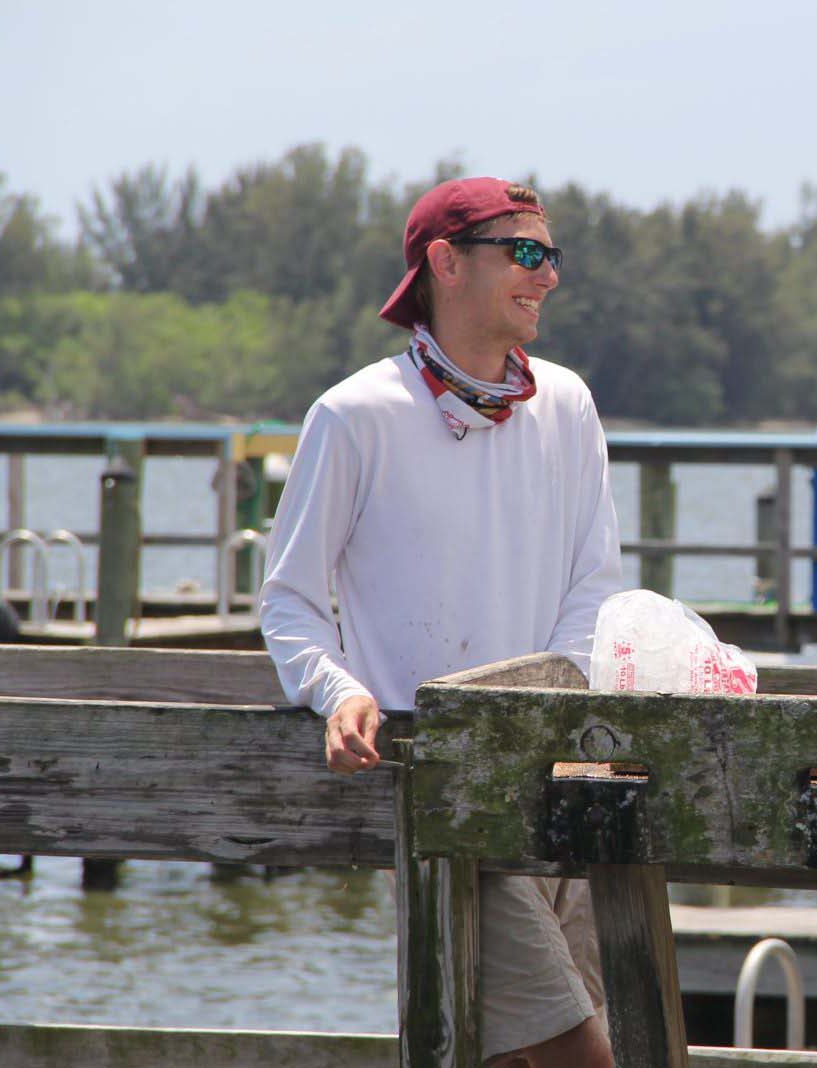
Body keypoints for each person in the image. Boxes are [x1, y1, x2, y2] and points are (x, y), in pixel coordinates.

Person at [261, 176, 622, 1068]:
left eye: (553, 255)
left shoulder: (568, 404)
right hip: (444, 796)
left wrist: (553, 710)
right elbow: (289, 598)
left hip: (561, 781)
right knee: (581, 1055)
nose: (548, 275)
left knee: (512, 1054)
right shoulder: (353, 415)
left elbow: (595, 588)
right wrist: (337, 691)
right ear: (446, 263)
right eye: (525, 252)